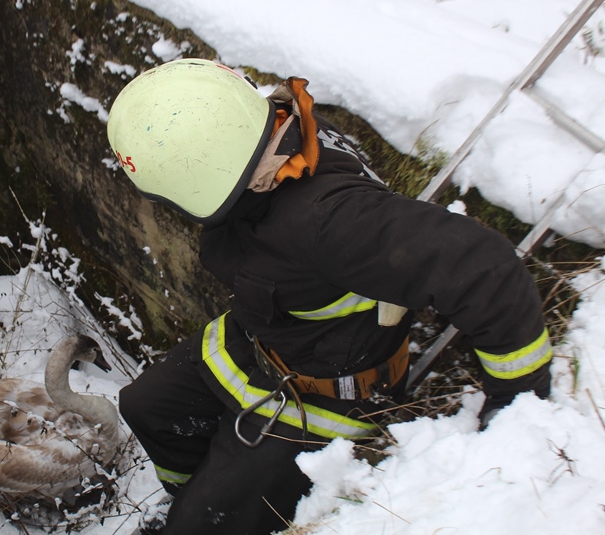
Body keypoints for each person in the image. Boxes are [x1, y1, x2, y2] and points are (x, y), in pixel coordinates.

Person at [106, 59, 552, 535]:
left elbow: (483, 267)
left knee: (195, 527)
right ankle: (193, 501)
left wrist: (516, 397)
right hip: (268, 337)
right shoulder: (276, 137)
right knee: (146, 407)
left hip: (328, 393)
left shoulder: (327, 221)